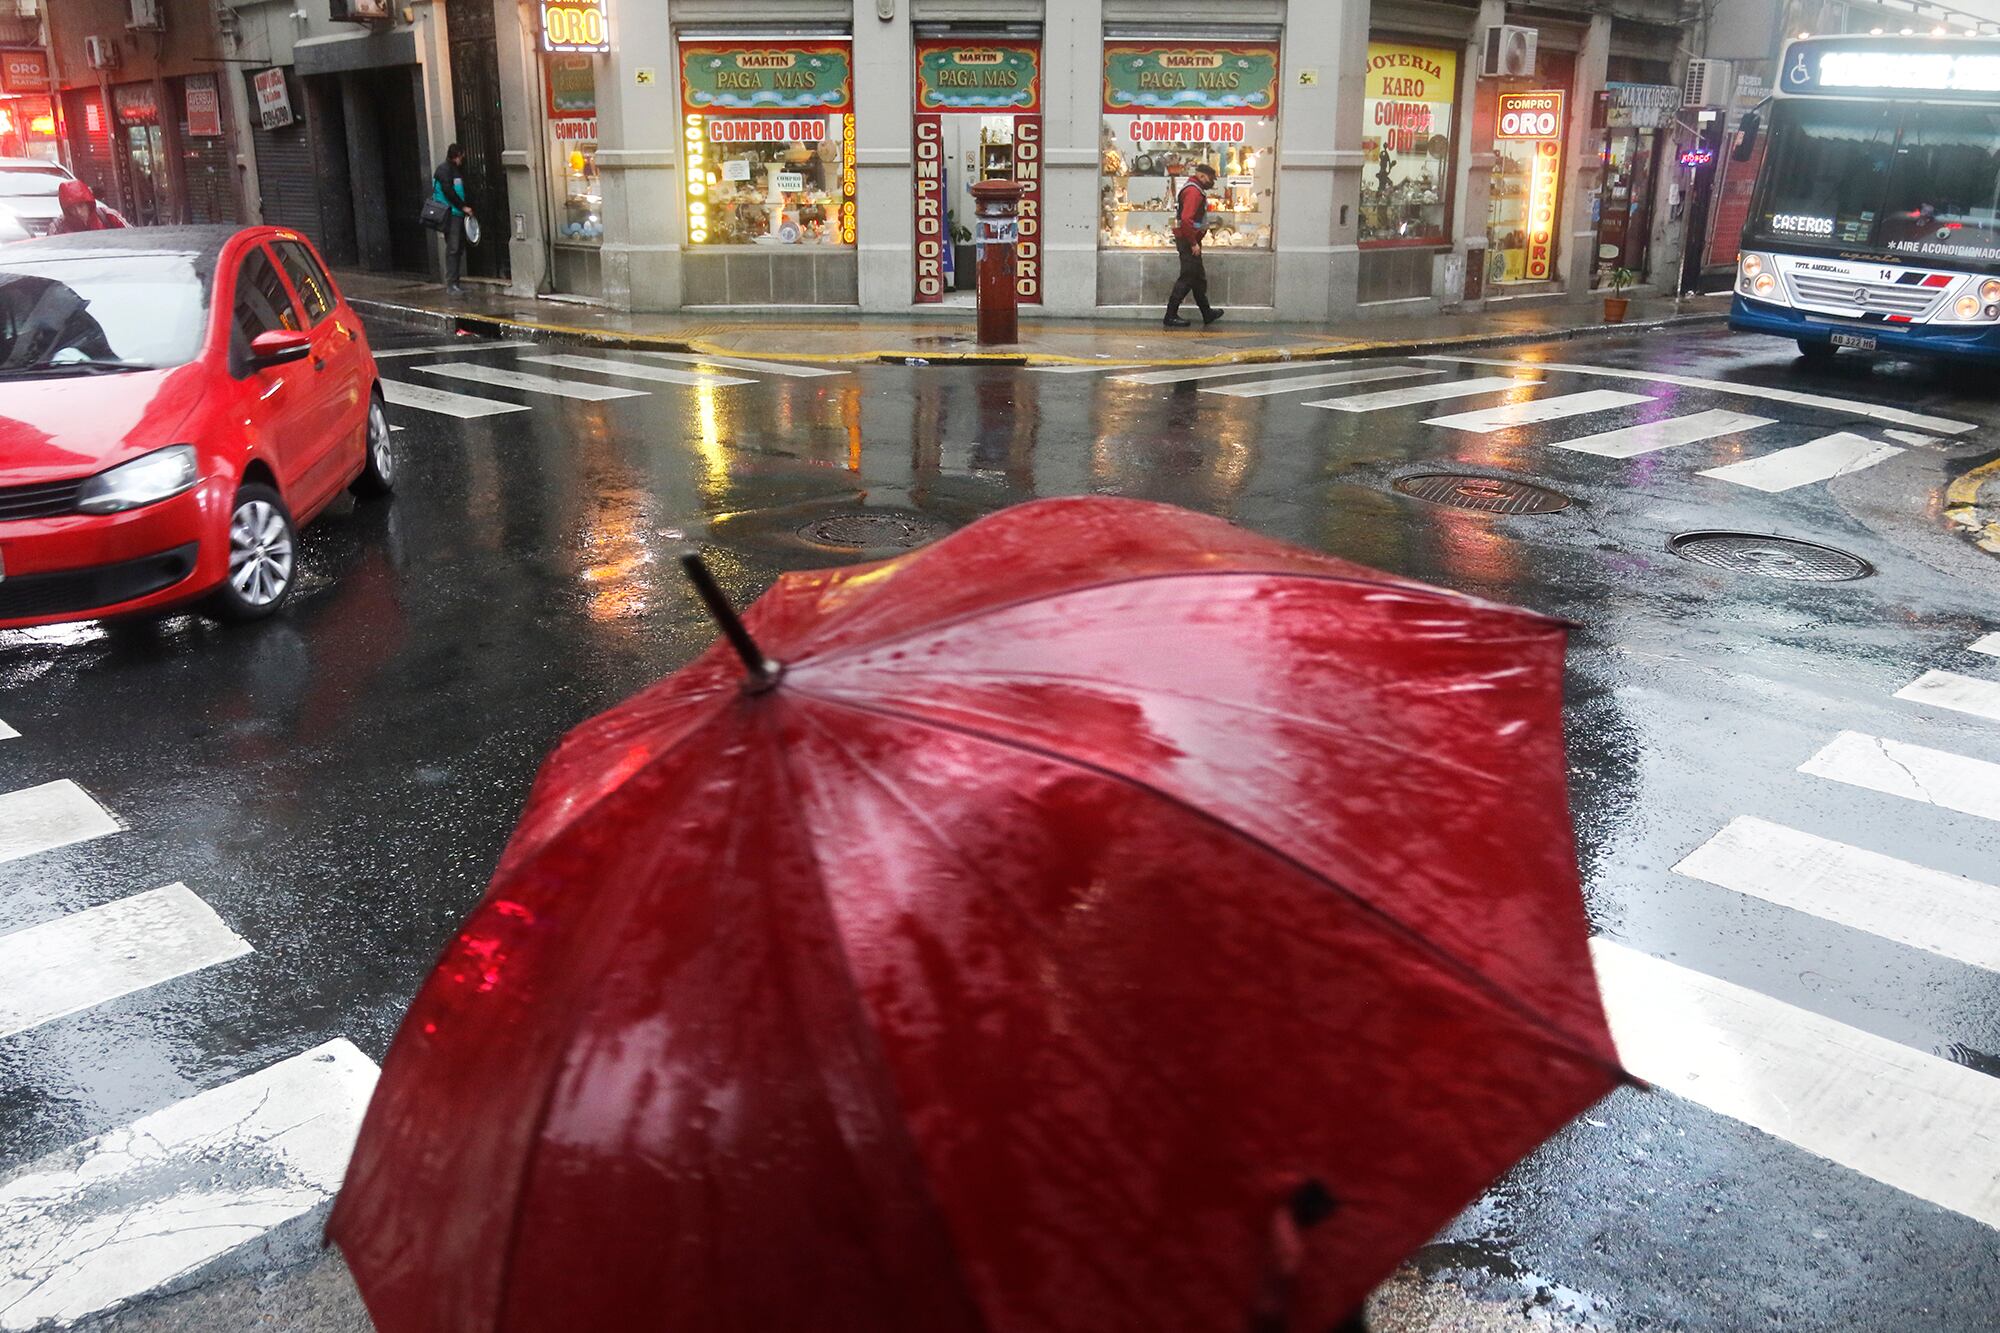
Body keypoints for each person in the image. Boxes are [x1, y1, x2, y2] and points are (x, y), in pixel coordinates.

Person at [1164, 162, 1223, 329]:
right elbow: (1187, 219)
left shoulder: (1193, 189)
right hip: (1188, 242)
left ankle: (1207, 313)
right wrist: (1193, 243)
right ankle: (1170, 315)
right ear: (1202, 176)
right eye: (1210, 179)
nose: (1211, 182)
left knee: (1198, 278)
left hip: (1190, 240)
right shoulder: (1193, 192)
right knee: (1187, 278)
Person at [432, 144, 474, 296]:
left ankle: (455, 282)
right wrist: (463, 206)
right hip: (451, 214)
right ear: (457, 155)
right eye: (462, 155)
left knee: (457, 247)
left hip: (457, 213)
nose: (463, 158)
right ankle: (451, 284)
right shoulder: (444, 170)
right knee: (453, 247)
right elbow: (448, 191)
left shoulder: (454, 170)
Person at [50, 180, 125, 235]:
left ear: (88, 204)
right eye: (72, 208)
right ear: (67, 210)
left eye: (81, 205)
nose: (78, 212)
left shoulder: (110, 216)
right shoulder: (58, 228)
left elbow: (130, 238)